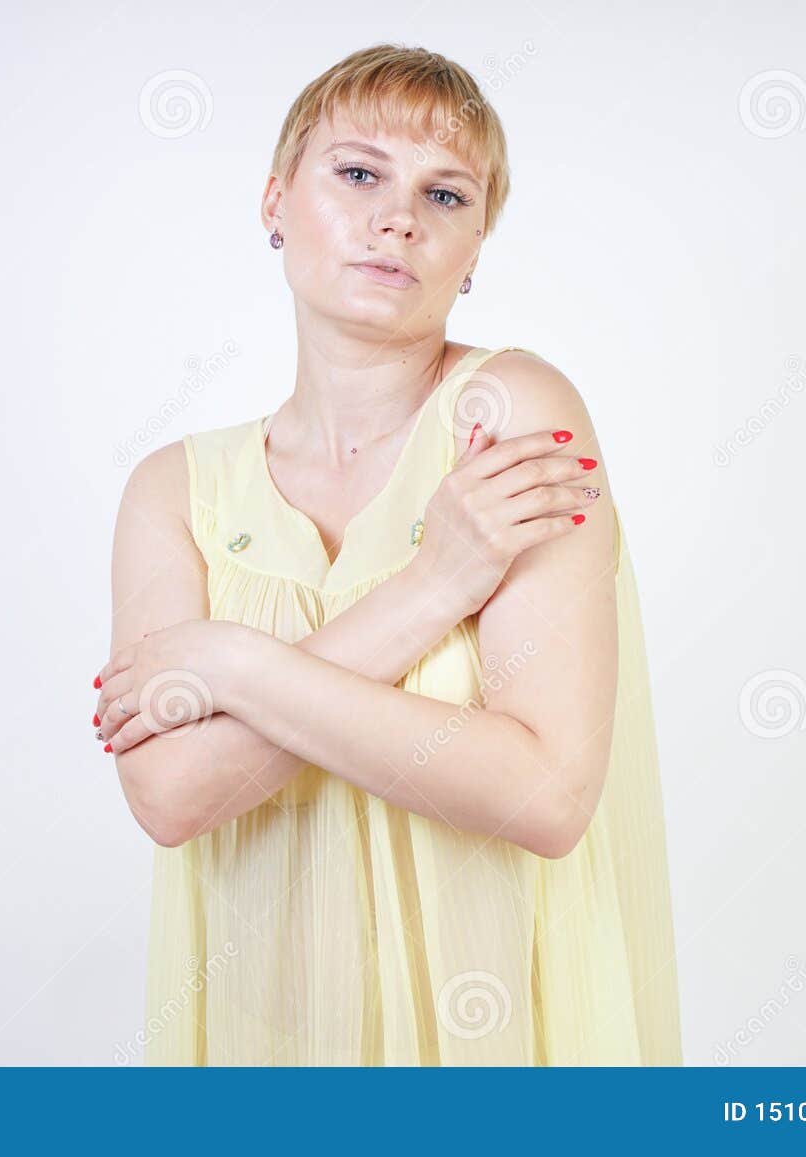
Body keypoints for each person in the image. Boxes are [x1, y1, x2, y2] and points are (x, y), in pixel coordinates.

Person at [94, 43, 681, 1065]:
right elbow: (172, 794)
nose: (398, 217)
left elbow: (545, 797)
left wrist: (233, 663)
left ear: (476, 245)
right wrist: (434, 586)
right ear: (275, 202)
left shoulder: (510, 413)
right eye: (358, 173)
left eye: (444, 193)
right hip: (263, 1046)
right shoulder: (172, 489)